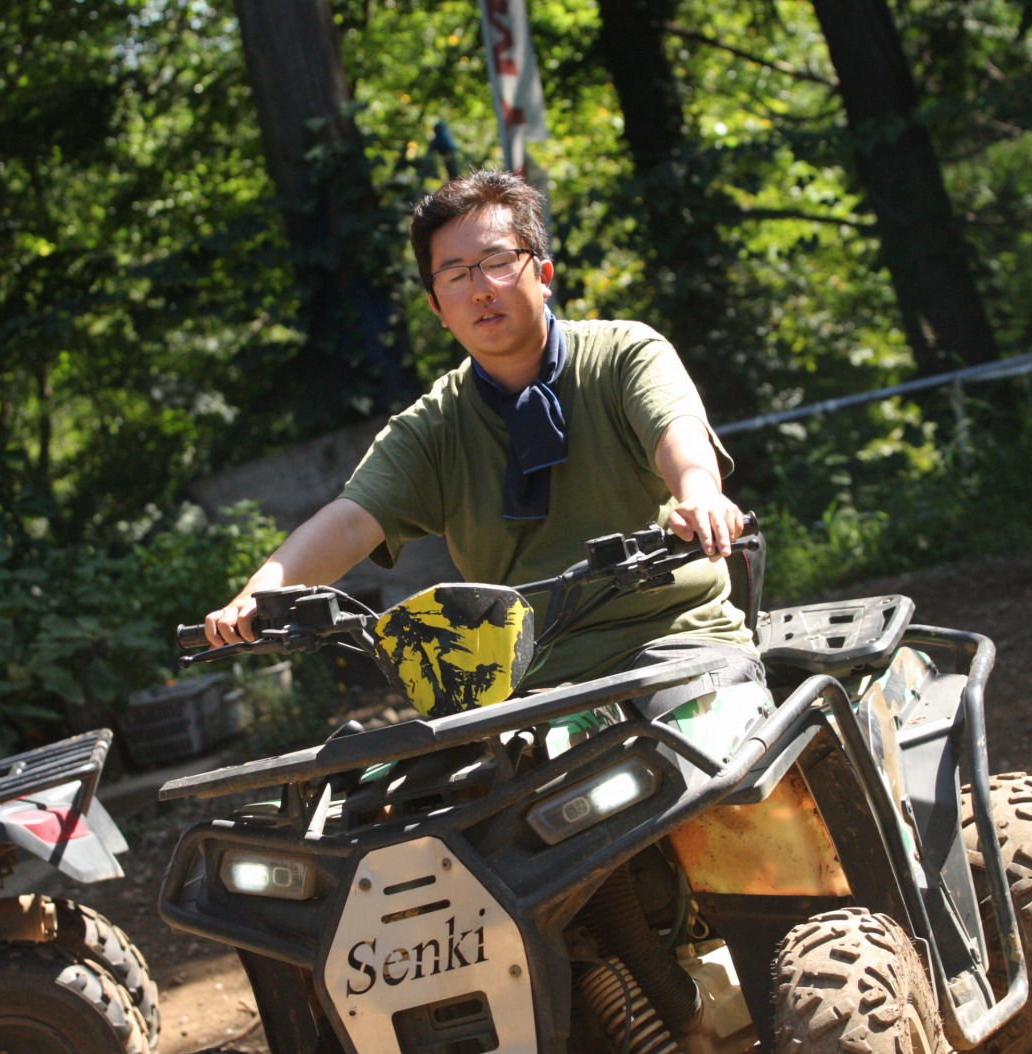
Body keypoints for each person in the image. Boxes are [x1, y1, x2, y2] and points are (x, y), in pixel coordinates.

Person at [205, 171, 757, 701]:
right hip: (528, 684)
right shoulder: (433, 427)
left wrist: (701, 495)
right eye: (455, 275)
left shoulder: (623, 354)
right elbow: (350, 521)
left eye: (498, 262)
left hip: (678, 642)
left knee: (688, 750)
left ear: (543, 275)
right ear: (437, 307)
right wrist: (259, 594)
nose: (481, 289)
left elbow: (676, 430)